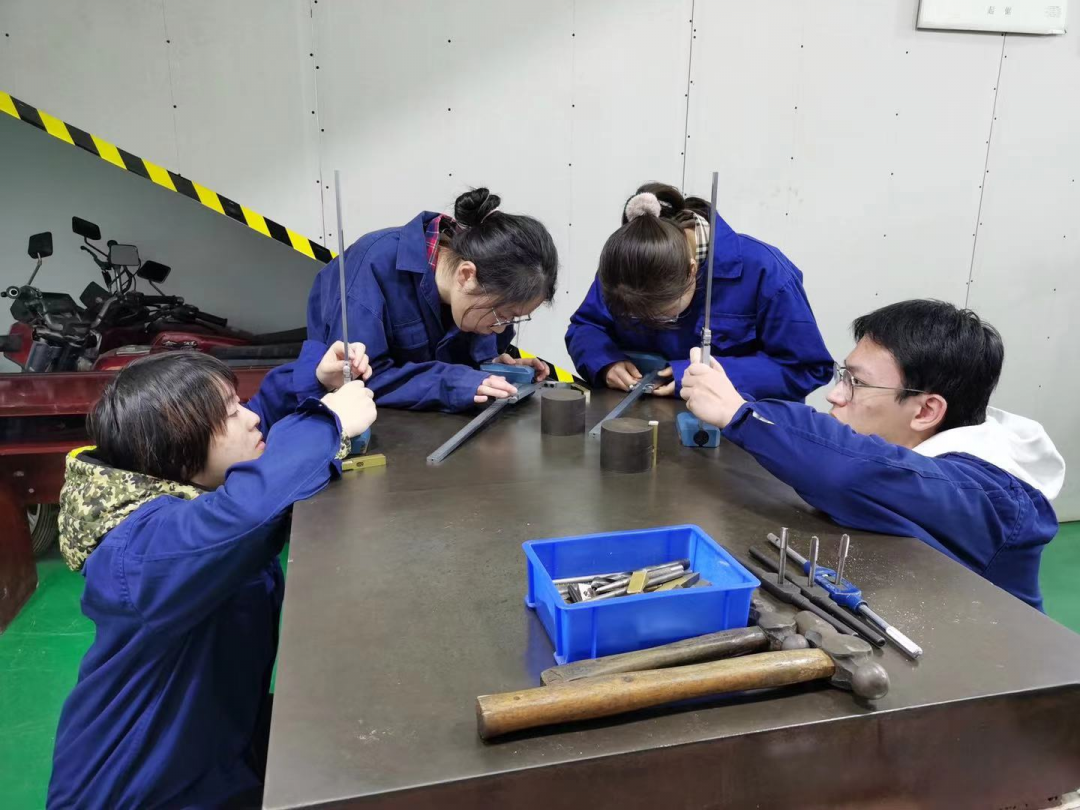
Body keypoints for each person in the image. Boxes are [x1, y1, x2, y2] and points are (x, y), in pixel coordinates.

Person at [47, 341, 376, 809]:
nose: (252, 418)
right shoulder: (140, 552)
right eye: (232, 412)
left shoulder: (170, 480)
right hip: (139, 793)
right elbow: (247, 513)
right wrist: (327, 422)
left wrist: (313, 383)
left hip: (207, 754)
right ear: (179, 446)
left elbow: (244, 442)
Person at [680, 299, 1066, 609]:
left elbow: (852, 471)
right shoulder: (935, 455)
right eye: (843, 375)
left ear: (926, 411)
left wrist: (740, 413)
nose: (836, 395)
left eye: (857, 383)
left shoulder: (990, 496)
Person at [565, 182, 832, 400]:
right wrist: (605, 362)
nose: (650, 321)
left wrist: (703, 375)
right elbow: (586, 325)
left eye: (662, 314)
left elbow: (805, 368)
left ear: (692, 271)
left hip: (732, 431)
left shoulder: (765, 272)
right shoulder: (627, 268)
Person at [307, 187, 559, 412]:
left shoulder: (477, 291)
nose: (502, 329)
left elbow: (462, 360)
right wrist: (453, 383)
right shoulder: (373, 265)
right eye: (501, 315)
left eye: (512, 319)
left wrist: (491, 367)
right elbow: (355, 380)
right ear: (466, 275)